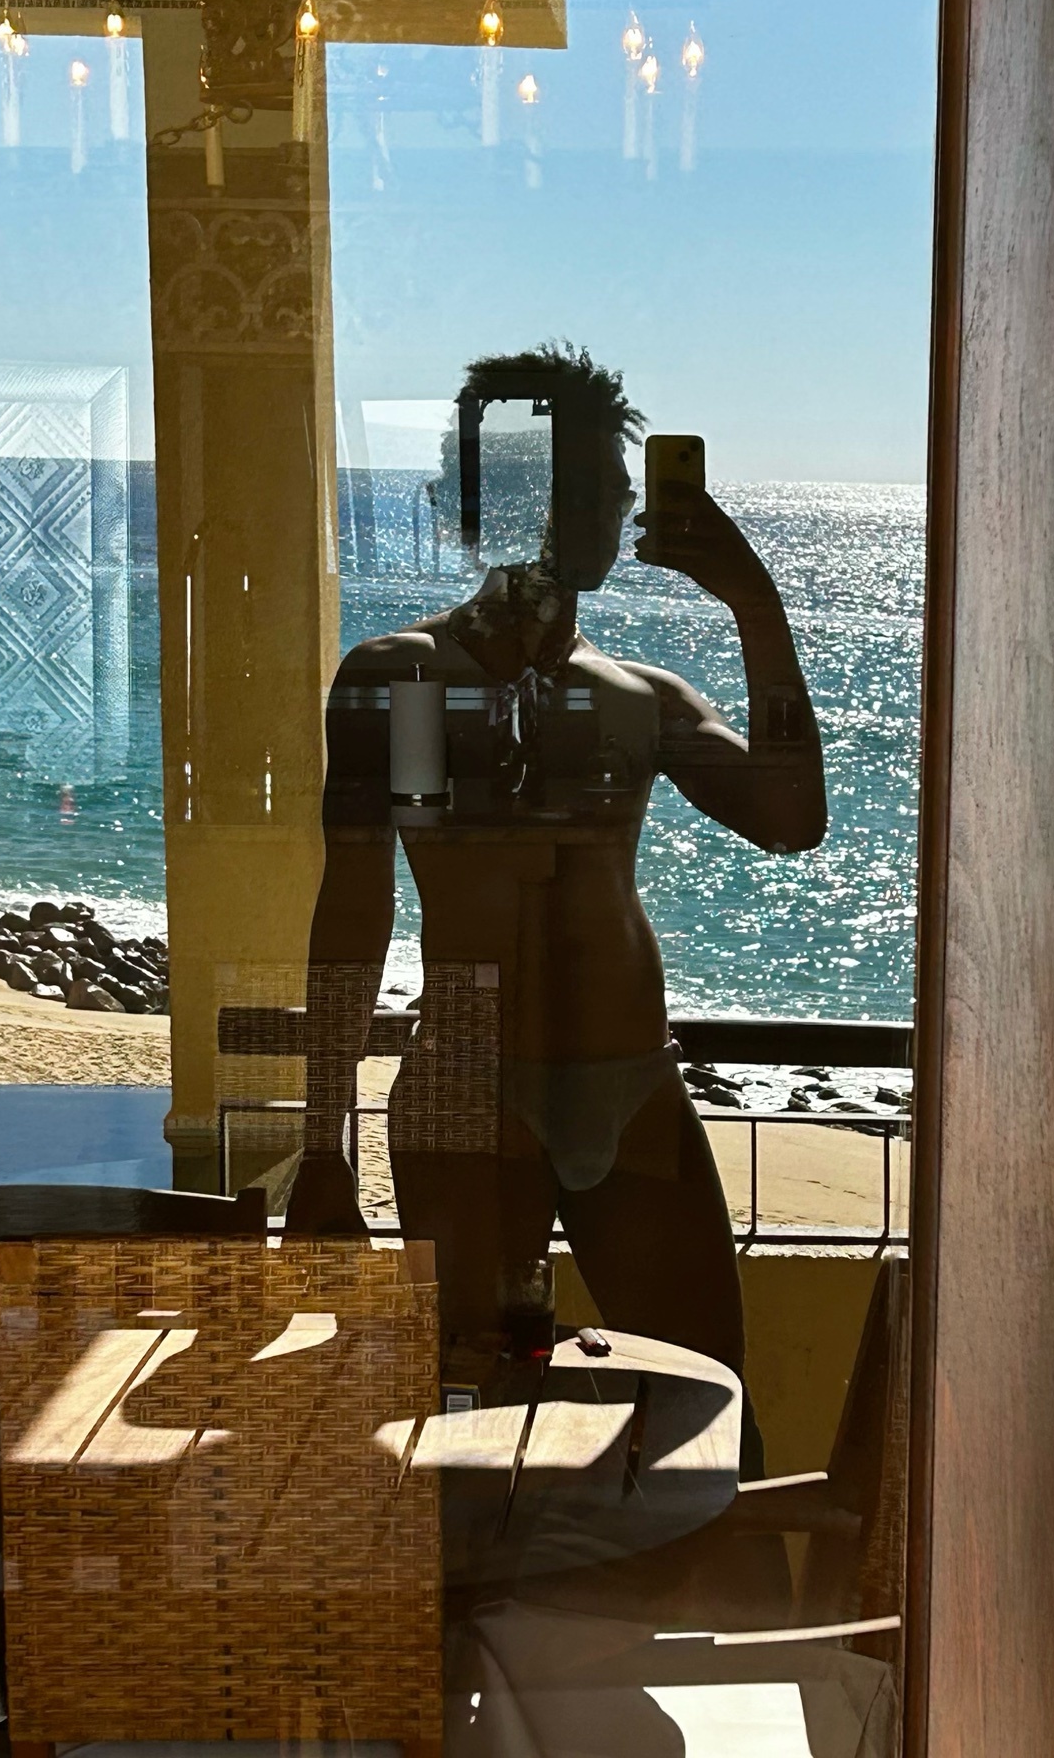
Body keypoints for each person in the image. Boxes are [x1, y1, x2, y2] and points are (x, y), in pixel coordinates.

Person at [286, 344, 826, 1461]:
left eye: (618, 487)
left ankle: (676, 1633)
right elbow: (355, 914)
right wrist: (322, 1142)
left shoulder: (636, 697)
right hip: (465, 1084)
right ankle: (498, 1637)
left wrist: (753, 601)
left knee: (715, 1425)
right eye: (599, 486)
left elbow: (791, 818)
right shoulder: (405, 679)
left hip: (631, 1085)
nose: (622, 509)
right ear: (507, 502)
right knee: (473, 1429)